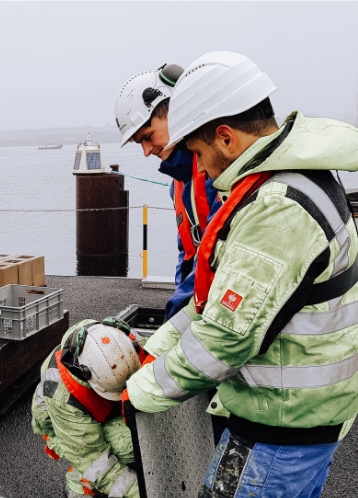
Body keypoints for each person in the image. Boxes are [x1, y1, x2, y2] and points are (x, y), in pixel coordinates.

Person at [124, 51, 358, 498]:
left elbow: (228, 335)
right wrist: (157, 344)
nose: (197, 168)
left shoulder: (275, 210)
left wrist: (142, 388)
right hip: (317, 414)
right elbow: (227, 303)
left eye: (199, 152)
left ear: (226, 137)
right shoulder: (300, 177)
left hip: (276, 424)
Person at [115, 64, 226, 444]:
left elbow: (218, 259)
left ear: (175, 108)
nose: (147, 151)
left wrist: (173, 329)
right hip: (203, 305)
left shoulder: (217, 170)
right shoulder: (181, 180)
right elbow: (190, 254)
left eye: (148, 136)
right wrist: (176, 321)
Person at [31, 318, 144, 498]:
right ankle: (78, 482)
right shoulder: (62, 396)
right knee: (127, 443)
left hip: (103, 410)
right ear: (85, 376)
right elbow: (93, 459)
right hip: (65, 431)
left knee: (143, 427)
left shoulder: (114, 341)